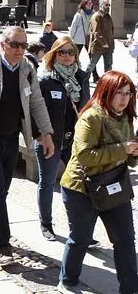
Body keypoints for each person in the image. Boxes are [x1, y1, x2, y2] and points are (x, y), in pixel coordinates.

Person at [0, 26, 54, 266]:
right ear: (2, 44)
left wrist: (45, 133)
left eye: (24, 45)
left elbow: (37, 103)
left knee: (2, 190)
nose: (19, 50)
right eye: (14, 44)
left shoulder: (27, 70)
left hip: (11, 139)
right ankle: (3, 245)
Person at [56, 71, 138, 294]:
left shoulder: (126, 118)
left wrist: (134, 151)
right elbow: (85, 156)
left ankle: (130, 288)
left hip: (114, 185)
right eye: (118, 93)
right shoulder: (91, 117)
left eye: (128, 93)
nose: (124, 98)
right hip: (81, 187)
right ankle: (68, 280)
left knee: (125, 240)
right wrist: (123, 148)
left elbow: (130, 160)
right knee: (80, 238)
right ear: (106, 92)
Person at [34, 37, 86, 241]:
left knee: (78, 185)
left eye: (70, 52)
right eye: (61, 52)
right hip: (50, 140)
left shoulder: (81, 77)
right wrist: (42, 136)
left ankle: (80, 228)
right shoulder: (46, 79)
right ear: (54, 54)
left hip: (74, 140)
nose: (66, 56)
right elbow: (36, 111)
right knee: (46, 183)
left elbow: (86, 108)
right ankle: (46, 223)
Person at [86, 0, 114, 85]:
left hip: (108, 47)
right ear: (101, 5)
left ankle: (108, 82)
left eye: (109, 5)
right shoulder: (96, 16)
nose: (108, 7)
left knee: (108, 65)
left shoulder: (108, 17)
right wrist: (104, 43)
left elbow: (111, 32)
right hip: (98, 46)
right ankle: (84, 80)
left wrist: (111, 45)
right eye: (106, 5)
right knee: (92, 65)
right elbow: (96, 33)